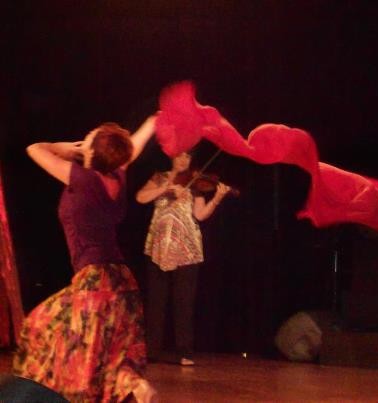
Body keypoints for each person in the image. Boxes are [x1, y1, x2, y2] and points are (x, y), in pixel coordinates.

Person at [13, 117, 158, 402]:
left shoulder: (82, 178)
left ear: (92, 151)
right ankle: (137, 386)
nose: (86, 135)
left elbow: (34, 149)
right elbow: (135, 145)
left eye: (90, 136)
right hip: (121, 281)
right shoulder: (117, 174)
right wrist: (154, 121)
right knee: (107, 351)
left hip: (95, 281)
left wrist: (60, 147)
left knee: (41, 325)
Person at [136, 151, 230, 365]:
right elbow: (140, 197)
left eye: (187, 157)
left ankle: (185, 352)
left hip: (186, 247)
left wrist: (216, 197)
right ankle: (152, 351)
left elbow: (200, 214)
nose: (183, 160)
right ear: (172, 156)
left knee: (184, 301)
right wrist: (165, 188)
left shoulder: (195, 181)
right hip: (159, 245)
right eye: (179, 156)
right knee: (156, 301)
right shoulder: (159, 177)